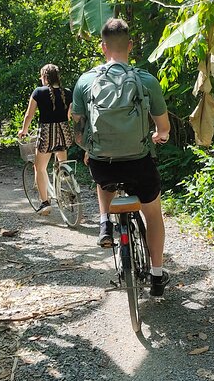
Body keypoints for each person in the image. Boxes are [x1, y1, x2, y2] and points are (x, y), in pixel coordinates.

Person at [71, 18, 171, 296]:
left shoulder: (86, 81)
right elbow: (164, 129)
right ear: (130, 45)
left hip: (105, 166)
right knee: (153, 215)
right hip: (139, 162)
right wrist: (157, 137)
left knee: (100, 174)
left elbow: (77, 130)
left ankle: (105, 221)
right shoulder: (146, 80)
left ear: (103, 47)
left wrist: (89, 149)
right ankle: (157, 276)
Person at [18, 64, 73, 215]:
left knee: (40, 168)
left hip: (47, 135)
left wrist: (24, 130)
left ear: (45, 77)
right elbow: (69, 115)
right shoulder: (67, 92)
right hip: (64, 134)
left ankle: (45, 202)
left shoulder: (38, 92)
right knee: (63, 164)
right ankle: (69, 186)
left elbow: (29, 115)